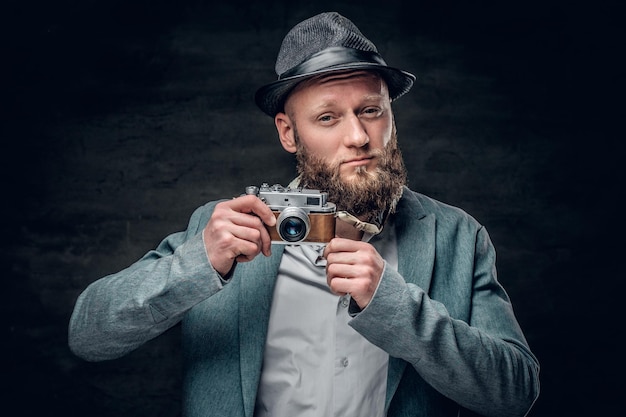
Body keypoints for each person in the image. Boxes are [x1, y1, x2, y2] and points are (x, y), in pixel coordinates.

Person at [69, 11, 540, 417]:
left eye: (371, 110)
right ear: (288, 134)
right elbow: (88, 335)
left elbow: (515, 393)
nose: (358, 136)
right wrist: (197, 263)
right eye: (328, 117)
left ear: (391, 116)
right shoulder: (225, 231)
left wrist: (394, 305)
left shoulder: (457, 236)